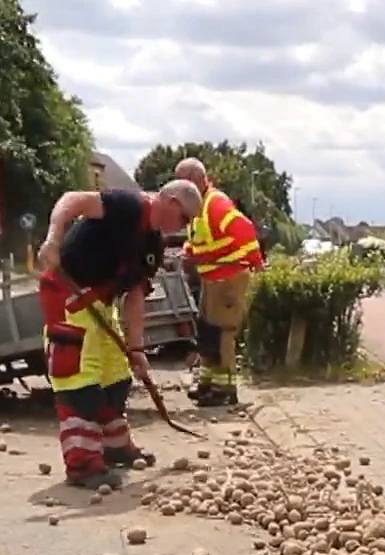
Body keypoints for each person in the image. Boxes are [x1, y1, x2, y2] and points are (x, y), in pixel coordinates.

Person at [37, 181, 202, 489]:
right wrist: (53, 239)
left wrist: (136, 348)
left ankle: (115, 446)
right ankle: (83, 464)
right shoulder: (127, 205)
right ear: (171, 200)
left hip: (101, 302)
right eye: (184, 219)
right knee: (79, 380)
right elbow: (73, 198)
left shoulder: (153, 244)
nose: (183, 227)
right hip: (67, 294)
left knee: (116, 376)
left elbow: (136, 296)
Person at [174, 157, 263, 408]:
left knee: (223, 332)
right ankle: (208, 383)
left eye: (182, 182)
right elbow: (201, 239)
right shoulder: (199, 207)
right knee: (208, 331)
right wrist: (189, 251)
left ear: (195, 180)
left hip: (228, 278)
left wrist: (201, 257)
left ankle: (225, 389)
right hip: (212, 278)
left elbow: (244, 233)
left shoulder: (216, 204)